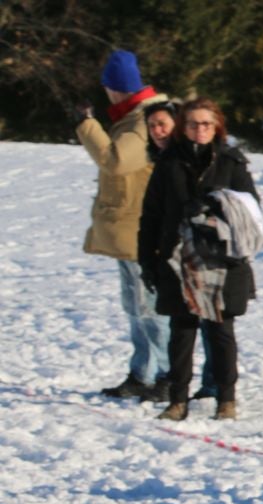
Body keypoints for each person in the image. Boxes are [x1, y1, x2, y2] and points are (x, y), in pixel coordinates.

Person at [139, 97, 260, 422]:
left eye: (206, 123)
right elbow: (151, 215)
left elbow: (251, 211)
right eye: (193, 123)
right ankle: (178, 400)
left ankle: (227, 399)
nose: (200, 130)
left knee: (221, 333)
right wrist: (146, 260)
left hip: (222, 260)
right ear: (184, 126)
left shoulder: (231, 161)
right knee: (181, 333)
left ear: (217, 125)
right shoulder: (169, 163)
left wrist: (213, 209)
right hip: (178, 259)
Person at [76, 49, 171, 401]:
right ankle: (142, 373)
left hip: (142, 228)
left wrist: (87, 124)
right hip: (129, 228)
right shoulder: (133, 117)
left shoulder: (142, 120)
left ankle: (166, 375)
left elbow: (115, 160)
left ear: (114, 89)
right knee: (135, 307)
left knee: (150, 307)